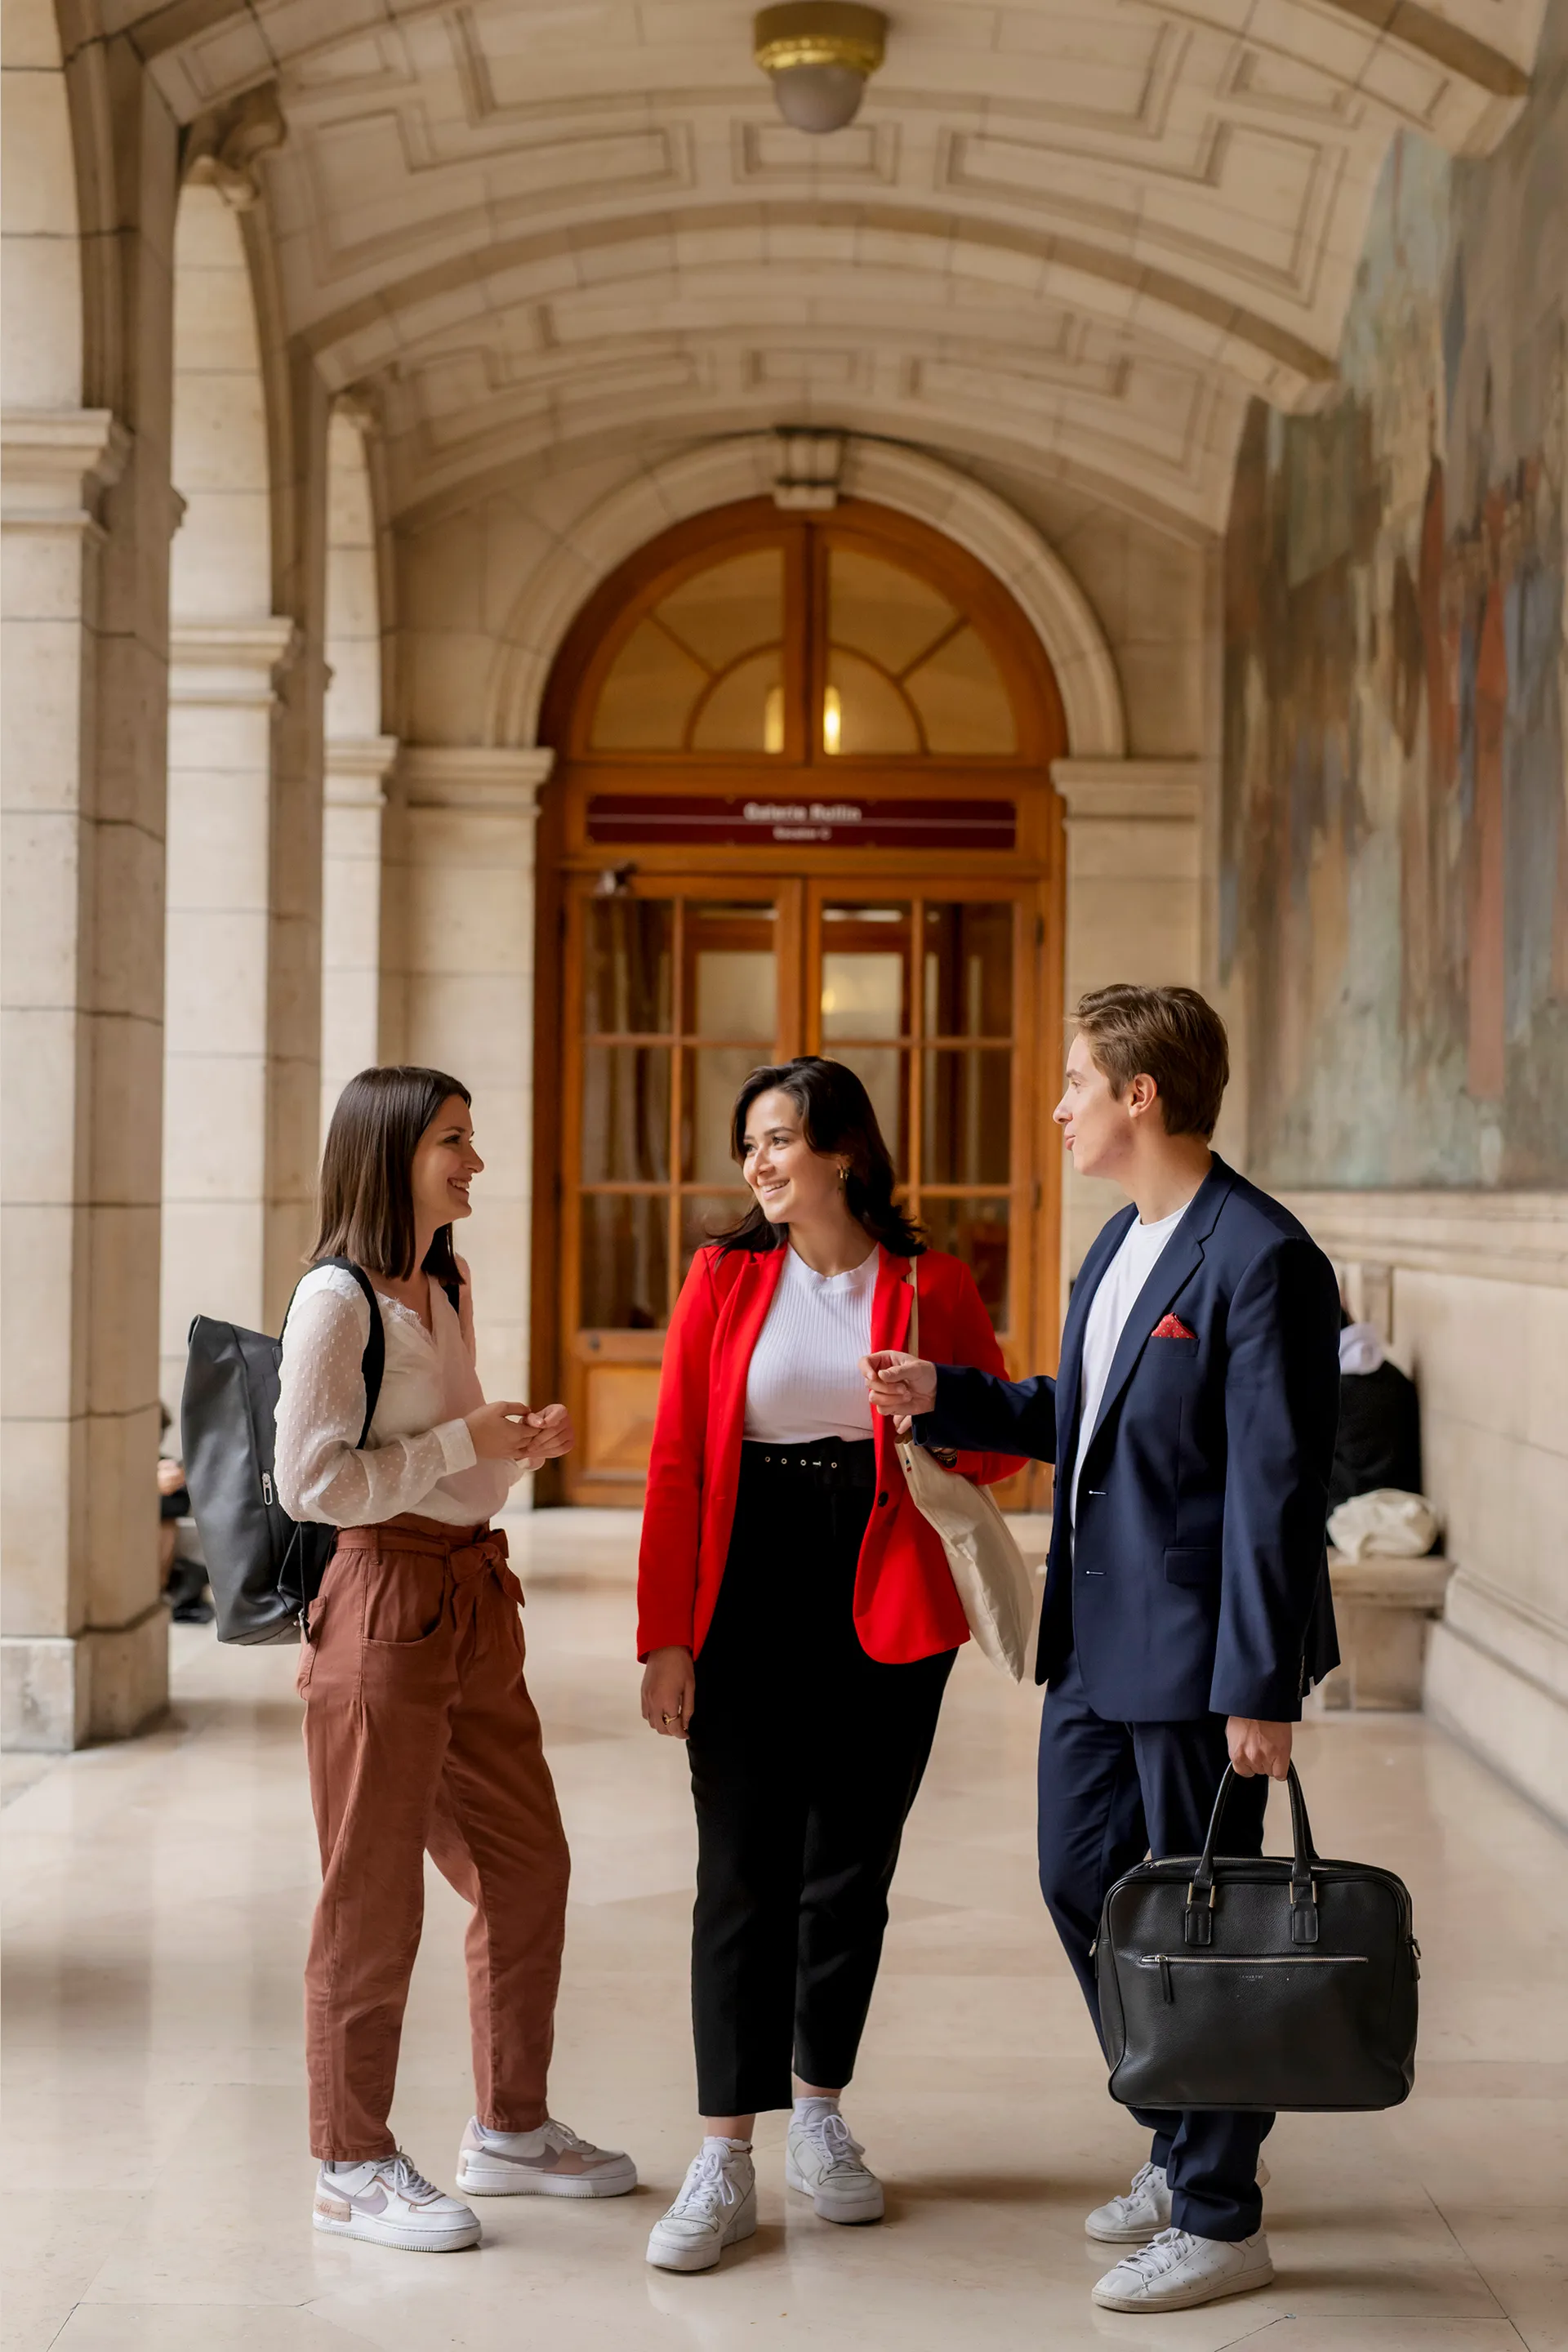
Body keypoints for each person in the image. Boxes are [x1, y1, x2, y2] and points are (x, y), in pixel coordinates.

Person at [864, 986, 1340, 2316]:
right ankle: (1181, 2130)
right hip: (1093, 1644)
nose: (1060, 1102)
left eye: (1078, 1080)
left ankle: (1220, 2209)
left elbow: (1275, 1488)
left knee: (1199, 1927)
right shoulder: (1122, 1243)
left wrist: (1261, 1682)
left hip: (1197, 1659)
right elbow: (1090, 1412)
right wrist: (952, 1396)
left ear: (1143, 1095)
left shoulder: (1262, 1255)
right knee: (1082, 1883)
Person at [637, 1058, 1022, 2274]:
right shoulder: (723, 1276)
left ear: (843, 1152)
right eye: (748, 1143)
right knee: (740, 1875)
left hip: (886, 1591)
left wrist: (935, 1405)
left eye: (780, 1139)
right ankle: (722, 2155)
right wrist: (667, 1636)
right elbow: (675, 1465)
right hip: (746, 1587)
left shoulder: (931, 1281)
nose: (758, 1163)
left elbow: (997, 1444)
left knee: (848, 1873)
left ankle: (820, 2116)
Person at [274, 1065, 636, 2254]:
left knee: (529, 1868)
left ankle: (511, 2127)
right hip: (380, 1600)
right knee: (369, 1904)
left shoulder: (446, 1276)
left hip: (474, 1592)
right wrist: (453, 1445)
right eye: (453, 1142)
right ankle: (349, 2159)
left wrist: (510, 1449)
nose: (475, 1163)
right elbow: (309, 1484)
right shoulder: (336, 1303)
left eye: (471, 1140)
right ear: (391, 1156)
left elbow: (459, 1466)